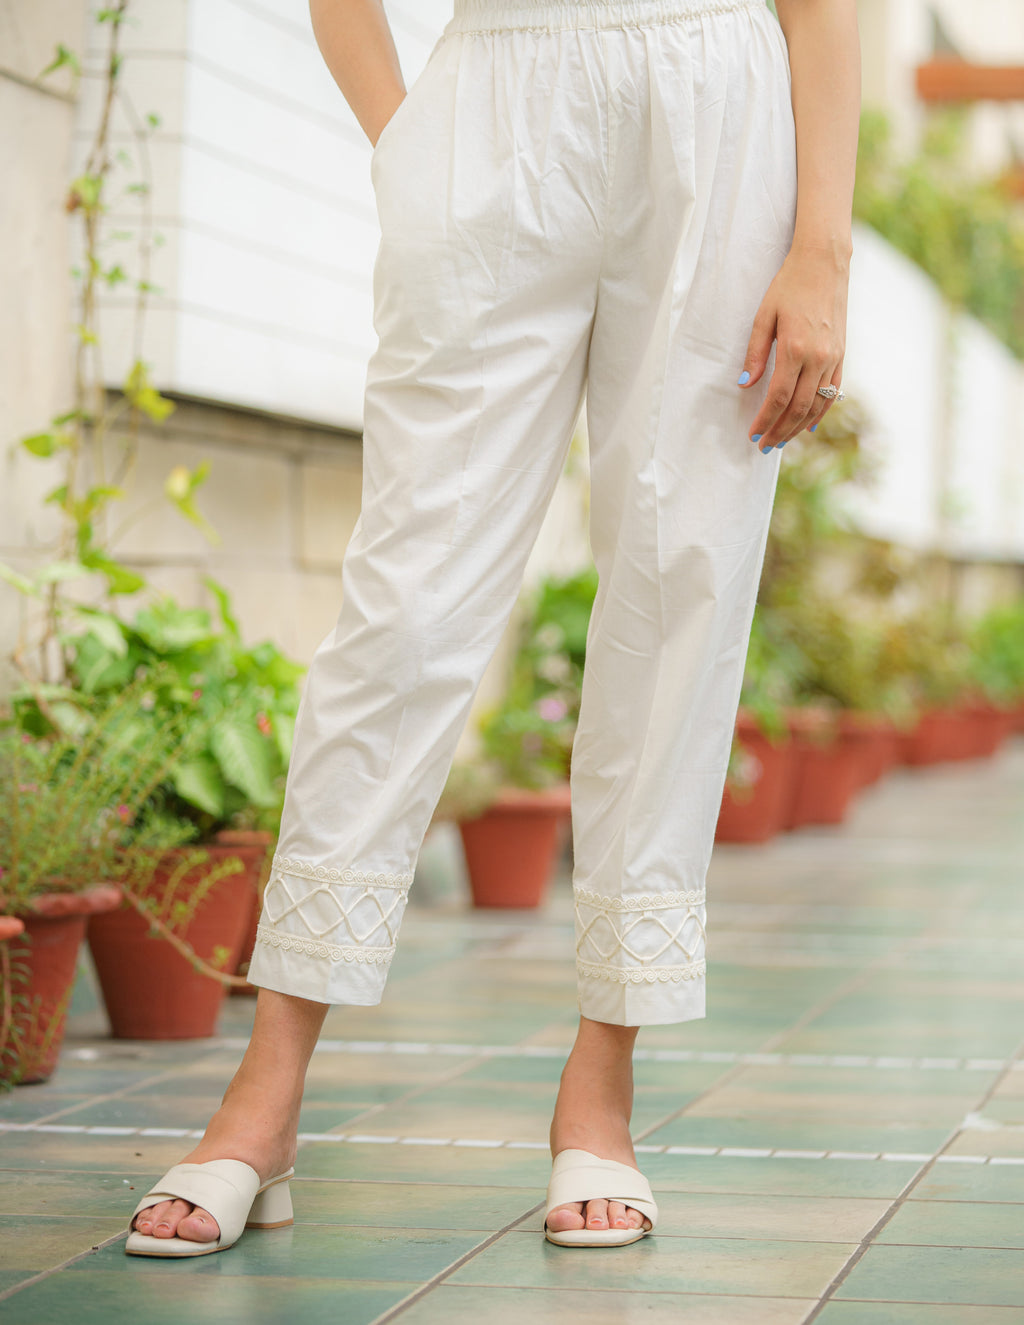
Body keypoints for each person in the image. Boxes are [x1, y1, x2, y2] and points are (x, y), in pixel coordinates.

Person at [125, 0, 859, 1254]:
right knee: (404, 603)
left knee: (678, 585)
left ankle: (603, 1083)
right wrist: (404, 147)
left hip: (719, 103)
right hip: (489, 108)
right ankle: (268, 1085)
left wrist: (823, 249)